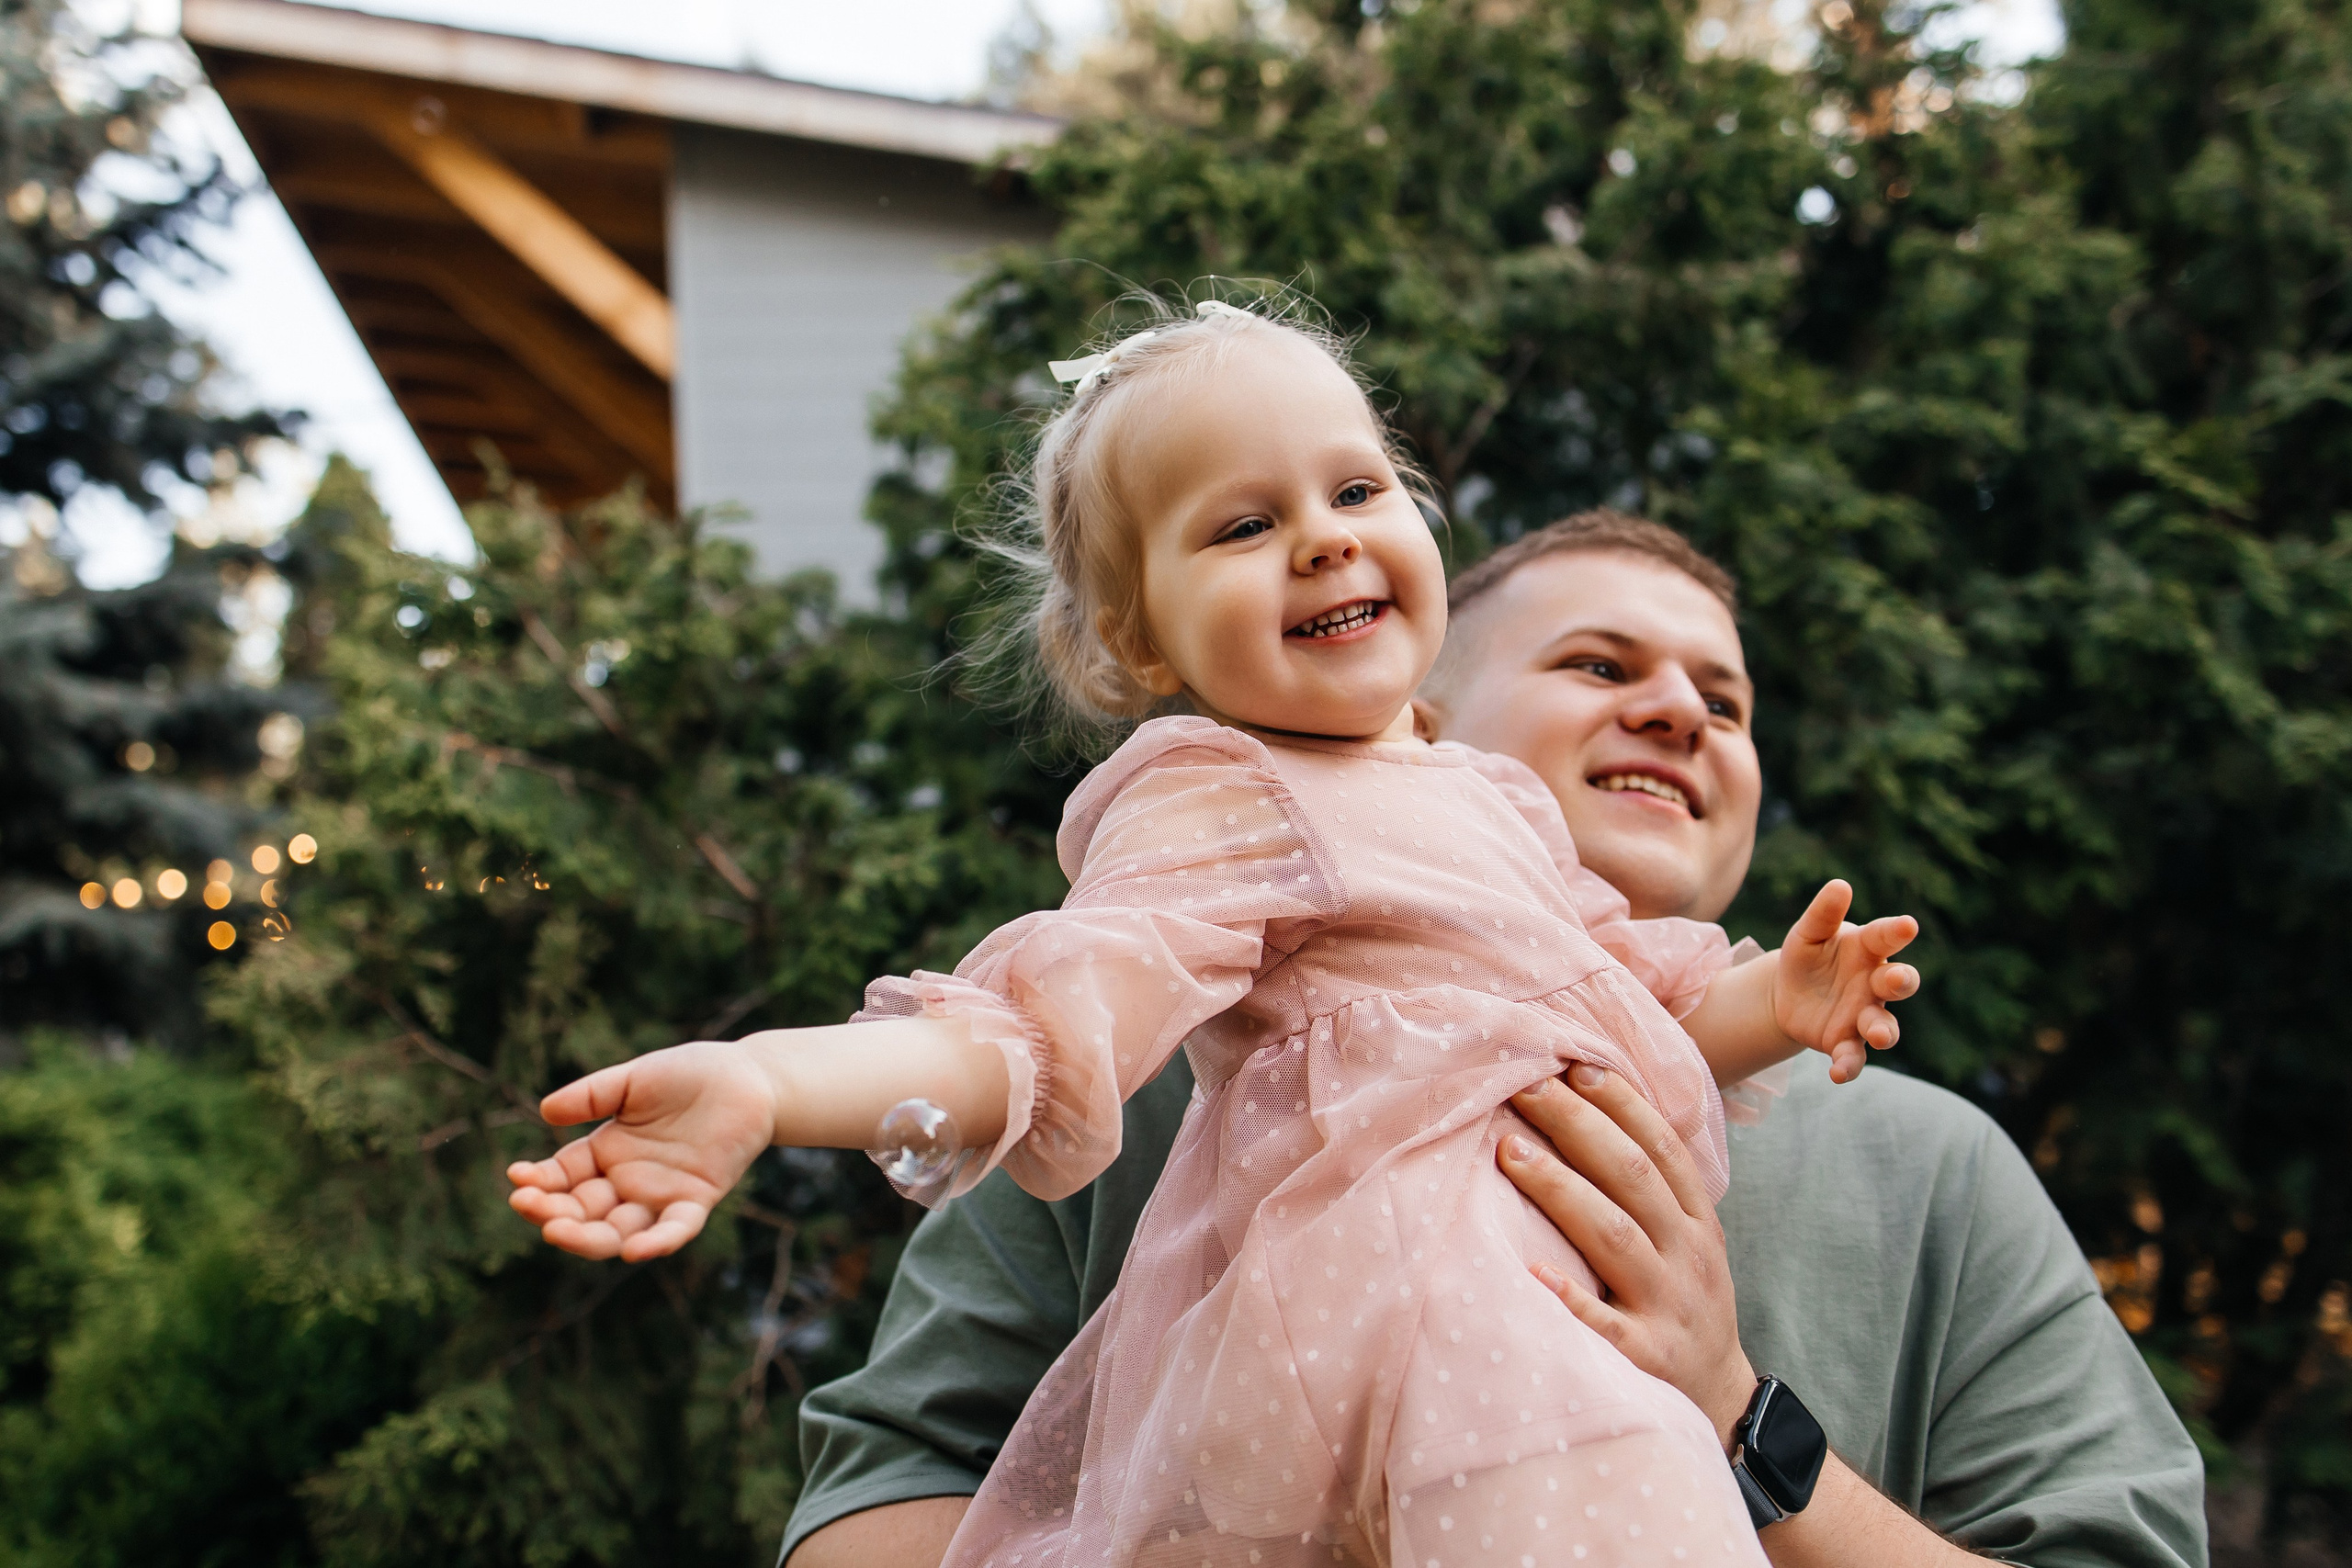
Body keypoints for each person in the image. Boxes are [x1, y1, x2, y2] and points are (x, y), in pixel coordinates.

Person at [505, 298, 1923, 1567]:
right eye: (1244, 526)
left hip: (1526, 1345)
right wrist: (769, 1083)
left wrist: (1778, 1005)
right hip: (1416, 1335)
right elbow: (1032, 1034)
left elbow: (1621, 1007)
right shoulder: (1226, 793)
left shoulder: (1490, 802)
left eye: (1358, 486)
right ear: (1140, 645)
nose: (1322, 535)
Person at [778, 513, 2211, 1568]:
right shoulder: (1173, 1071)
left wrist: (1741, 1422)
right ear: (1422, 727)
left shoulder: (1935, 1171)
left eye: (1726, 702)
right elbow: (873, 1501)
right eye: (1601, 665)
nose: (1679, 712)